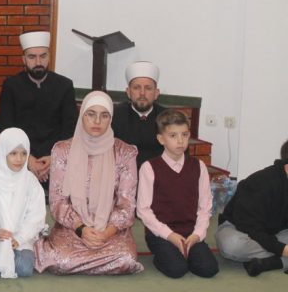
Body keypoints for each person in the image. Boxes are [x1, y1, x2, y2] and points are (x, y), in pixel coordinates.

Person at [34, 91, 143, 275]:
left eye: (104, 115)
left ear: (111, 119)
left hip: (111, 230)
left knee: (126, 258)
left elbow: (127, 203)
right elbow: (58, 201)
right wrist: (82, 229)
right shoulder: (63, 150)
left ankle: (87, 258)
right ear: (81, 116)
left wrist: (106, 233)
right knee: (60, 260)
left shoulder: (124, 152)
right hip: (73, 229)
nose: (97, 121)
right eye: (91, 114)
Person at [136, 109, 218, 278]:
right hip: (161, 233)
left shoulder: (199, 166)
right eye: (173, 136)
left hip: (190, 232)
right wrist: (170, 236)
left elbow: (205, 206)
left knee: (208, 269)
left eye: (184, 135)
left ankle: (186, 251)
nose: (180, 141)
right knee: (177, 269)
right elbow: (143, 210)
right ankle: (164, 255)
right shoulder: (149, 168)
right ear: (161, 139)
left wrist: (197, 234)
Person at [0, 31, 78, 183]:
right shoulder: (11, 86)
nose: (38, 62)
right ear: (24, 59)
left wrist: (54, 157)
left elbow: (70, 128)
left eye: (43, 56)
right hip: (20, 156)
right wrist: (27, 159)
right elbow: (4, 127)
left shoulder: (64, 85)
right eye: (32, 57)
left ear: (49, 56)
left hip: (56, 157)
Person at [0, 127, 46, 278]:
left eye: (24, 153)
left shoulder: (31, 182)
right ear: (3, 153)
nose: (19, 159)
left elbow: (36, 216)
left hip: (22, 238)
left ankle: (12, 257)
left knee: (24, 269)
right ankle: (4, 257)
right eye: (13, 153)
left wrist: (19, 238)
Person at [215, 138, 288, 276]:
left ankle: (269, 263)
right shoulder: (262, 182)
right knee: (231, 245)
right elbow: (251, 227)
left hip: (276, 233)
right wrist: (282, 250)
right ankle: (280, 260)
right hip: (240, 229)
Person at [112, 61, 166, 168]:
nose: (142, 93)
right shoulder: (115, 115)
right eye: (136, 88)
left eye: (148, 88)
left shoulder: (167, 117)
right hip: (123, 173)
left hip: (159, 173)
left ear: (156, 93)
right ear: (128, 92)